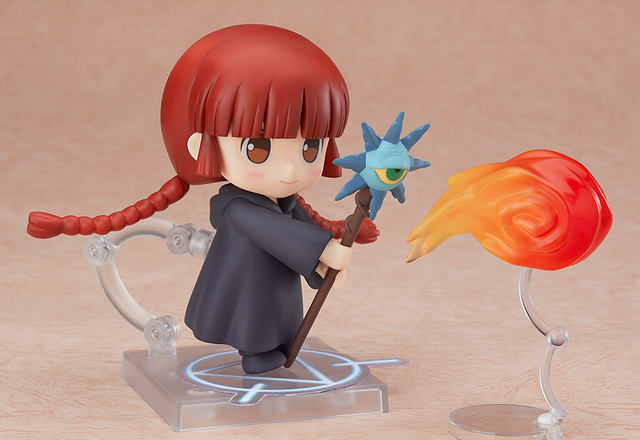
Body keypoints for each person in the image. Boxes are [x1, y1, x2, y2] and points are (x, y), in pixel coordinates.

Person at [28, 25, 378, 373]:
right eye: (257, 148)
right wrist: (321, 250)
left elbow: (298, 230)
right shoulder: (238, 208)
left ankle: (280, 341)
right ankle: (256, 352)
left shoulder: (287, 201)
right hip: (244, 284)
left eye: (309, 147)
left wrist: (321, 266)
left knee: (281, 312)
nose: (289, 170)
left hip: (278, 285)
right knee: (253, 316)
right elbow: (277, 232)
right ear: (201, 147)